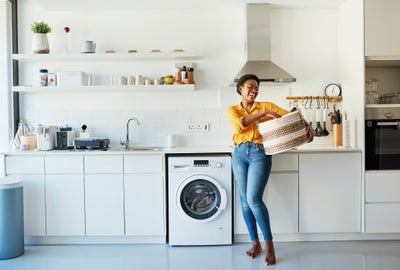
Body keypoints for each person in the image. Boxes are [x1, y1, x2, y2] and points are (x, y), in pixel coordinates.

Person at [227, 74, 313, 266]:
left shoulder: (268, 105)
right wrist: (262, 114)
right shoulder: (233, 109)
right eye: (250, 86)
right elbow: (240, 125)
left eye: (257, 87)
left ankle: (269, 244)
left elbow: (291, 116)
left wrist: (306, 125)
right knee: (245, 202)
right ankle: (255, 243)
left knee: (254, 199)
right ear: (240, 88)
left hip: (259, 153)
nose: (254, 90)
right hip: (239, 154)